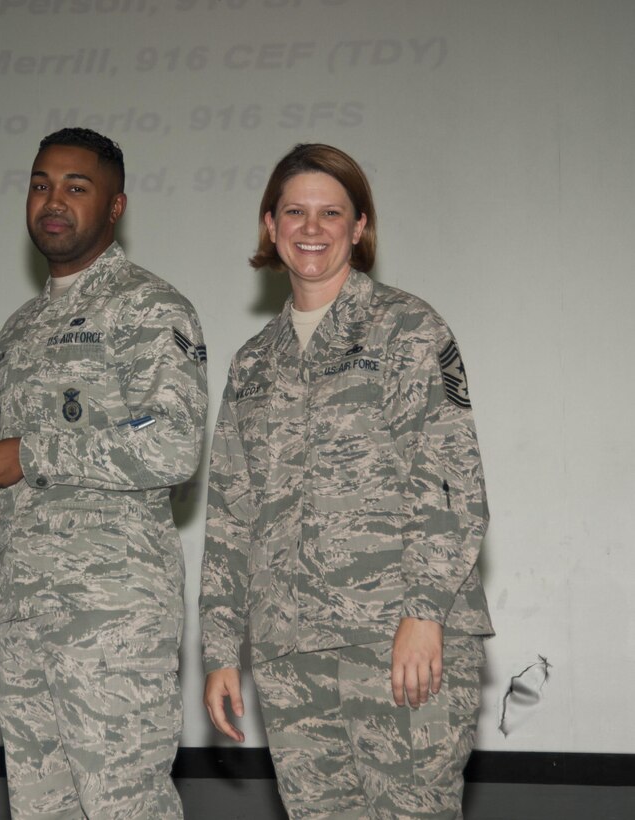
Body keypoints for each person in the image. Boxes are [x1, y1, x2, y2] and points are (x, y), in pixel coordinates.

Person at [200, 143, 493, 819]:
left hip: (397, 640)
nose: (312, 228)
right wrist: (221, 649)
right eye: (295, 212)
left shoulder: (407, 329)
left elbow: (451, 478)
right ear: (270, 225)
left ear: (359, 227)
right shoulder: (253, 364)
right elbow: (229, 512)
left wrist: (424, 614)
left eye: (331, 213)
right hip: (289, 651)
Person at [0, 128, 208, 818]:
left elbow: (173, 442)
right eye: (40, 184)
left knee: (124, 807)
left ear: (115, 206)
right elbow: (40, 464)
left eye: (76, 186)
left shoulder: (150, 307)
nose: (53, 201)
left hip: (113, 617)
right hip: (28, 612)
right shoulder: (20, 328)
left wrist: (28, 453)